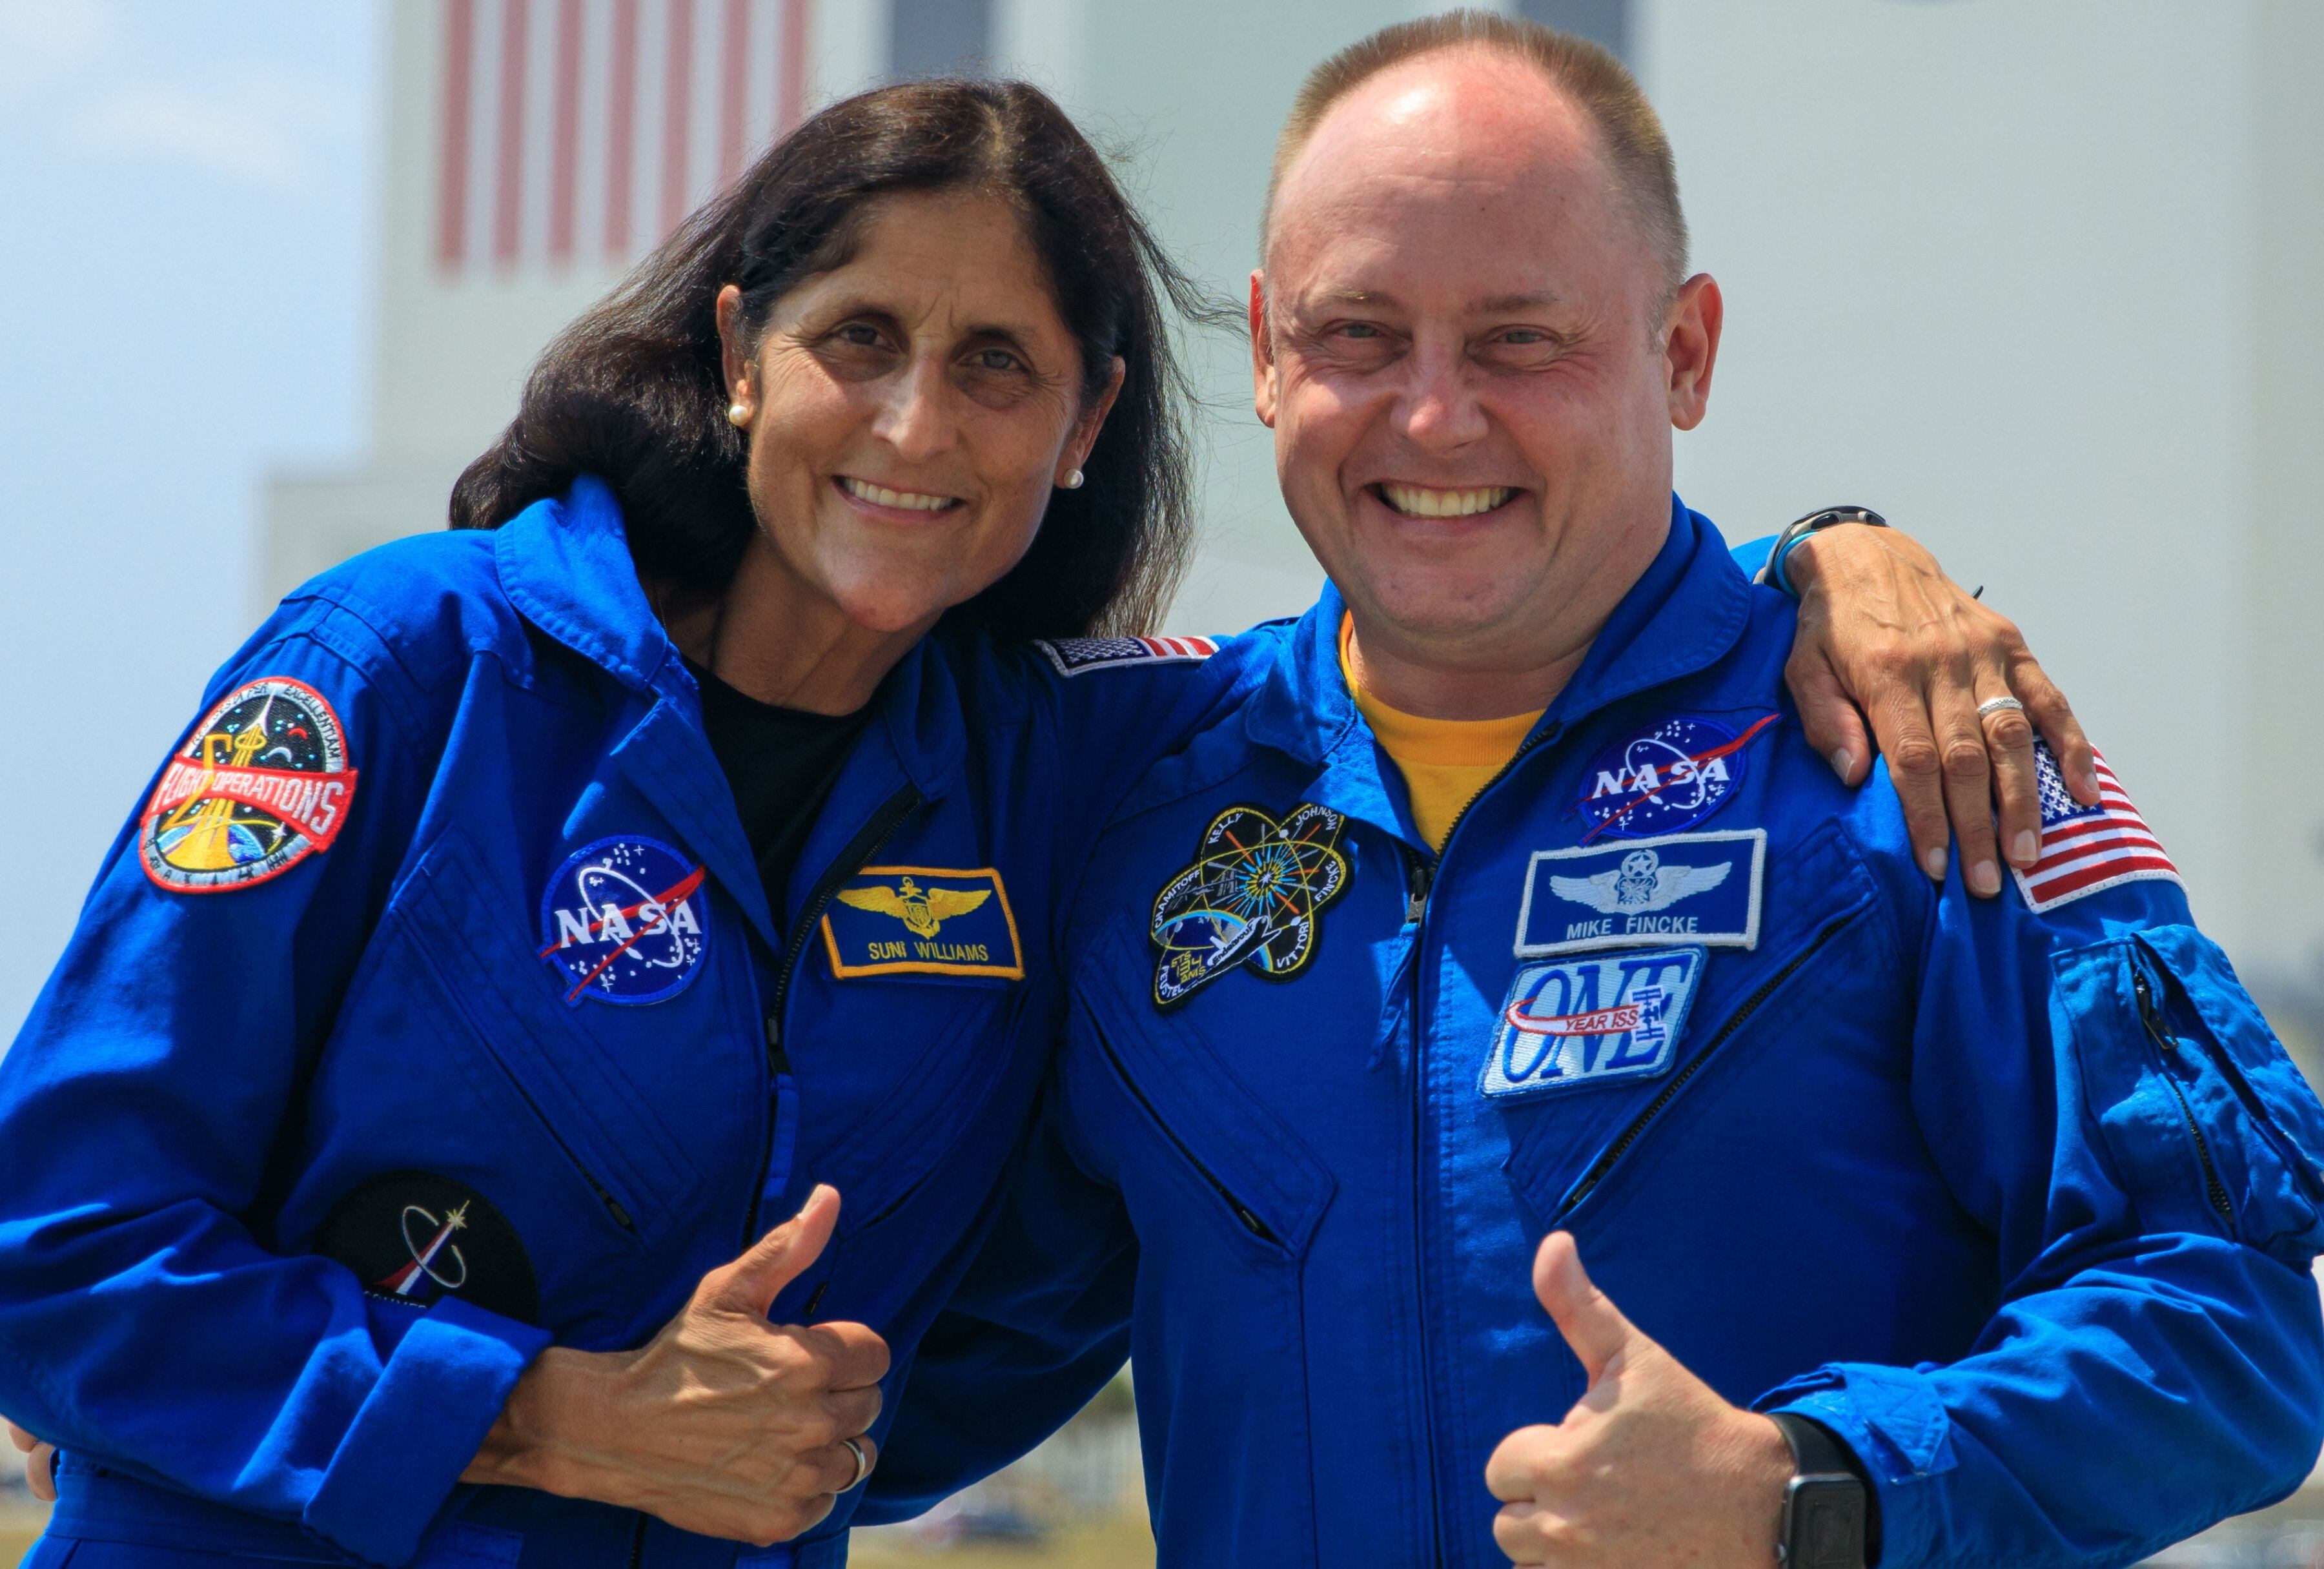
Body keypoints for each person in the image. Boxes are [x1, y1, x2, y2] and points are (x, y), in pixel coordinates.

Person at [0, 70, 2077, 1569]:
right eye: (862, 342)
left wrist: (1840, 553)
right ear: (741, 352)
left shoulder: (1081, 767)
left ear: (1089, 423)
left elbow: (1463, 620)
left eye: (999, 365)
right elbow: (51, 1246)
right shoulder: (404, 667)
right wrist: (560, 1416)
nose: (918, 426)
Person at [859, 17, 2324, 1569]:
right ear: (1269, 354)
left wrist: (1813, 1485)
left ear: (1682, 352)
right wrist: (627, 1395)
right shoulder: (1128, 791)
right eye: (1360, 336)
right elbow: (943, 1370)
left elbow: (2234, 1322)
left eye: (1520, 339)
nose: (1434, 418)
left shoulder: (1927, 755)